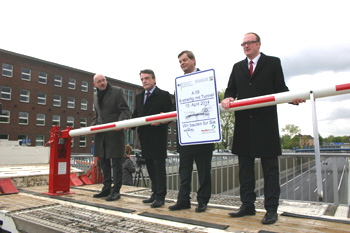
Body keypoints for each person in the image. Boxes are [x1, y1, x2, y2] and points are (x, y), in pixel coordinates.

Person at [221, 33, 305, 224]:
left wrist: (292, 97)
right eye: (243, 43)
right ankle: (247, 205)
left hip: (265, 124)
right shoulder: (237, 67)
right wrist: (228, 97)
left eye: (249, 42)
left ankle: (271, 210)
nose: (245, 46)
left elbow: (280, 88)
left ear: (258, 44)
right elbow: (231, 89)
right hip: (243, 124)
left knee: (270, 170)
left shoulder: (273, 63)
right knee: (245, 170)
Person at [168, 50, 214, 213]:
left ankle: (202, 201)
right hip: (186, 136)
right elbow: (176, 108)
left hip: (203, 135)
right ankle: (183, 200)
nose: (182, 63)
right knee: (184, 171)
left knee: (203, 172)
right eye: (180, 61)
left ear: (193, 60)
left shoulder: (206, 79)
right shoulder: (179, 84)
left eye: (185, 60)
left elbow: (211, 101)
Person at [132, 69, 172, 208]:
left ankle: (161, 196)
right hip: (144, 137)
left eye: (147, 78)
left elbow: (170, 115)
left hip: (158, 136)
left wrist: (163, 120)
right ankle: (154, 193)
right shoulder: (139, 96)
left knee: (158, 167)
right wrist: (127, 126)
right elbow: (136, 115)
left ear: (154, 80)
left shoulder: (163, 95)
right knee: (149, 166)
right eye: (142, 79)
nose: (144, 81)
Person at [91, 74, 130, 201]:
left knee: (116, 163)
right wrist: (91, 128)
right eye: (99, 81)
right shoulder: (96, 96)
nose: (102, 83)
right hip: (101, 135)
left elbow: (125, 110)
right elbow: (97, 116)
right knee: (103, 162)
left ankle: (116, 190)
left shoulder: (117, 92)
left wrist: (120, 123)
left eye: (103, 80)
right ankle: (106, 187)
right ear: (95, 84)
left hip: (114, 133)